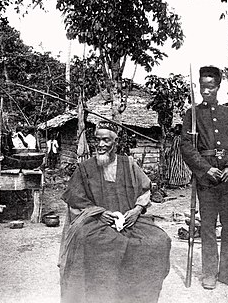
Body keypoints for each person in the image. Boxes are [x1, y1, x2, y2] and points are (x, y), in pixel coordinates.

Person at [58, 121, 171, 303]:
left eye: (106, 140)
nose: (101, 145)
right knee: (94, 243)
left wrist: (137, 210)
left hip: (129, 221)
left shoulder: (129, 164)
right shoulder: (85, 168)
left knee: (158, 241)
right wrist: (98, 212)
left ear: (115, 143)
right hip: (95, 222)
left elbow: (145, 190)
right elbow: (75, 200)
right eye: (98, 140)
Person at [180, 66, 228, 290]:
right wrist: (205, 169)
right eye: (202, 86)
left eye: (210, 87)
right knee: (207, 227)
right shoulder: (193, 115)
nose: (205, 91)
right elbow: (187, 147)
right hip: (207, 181)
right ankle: (209, 273)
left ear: (218, 87)